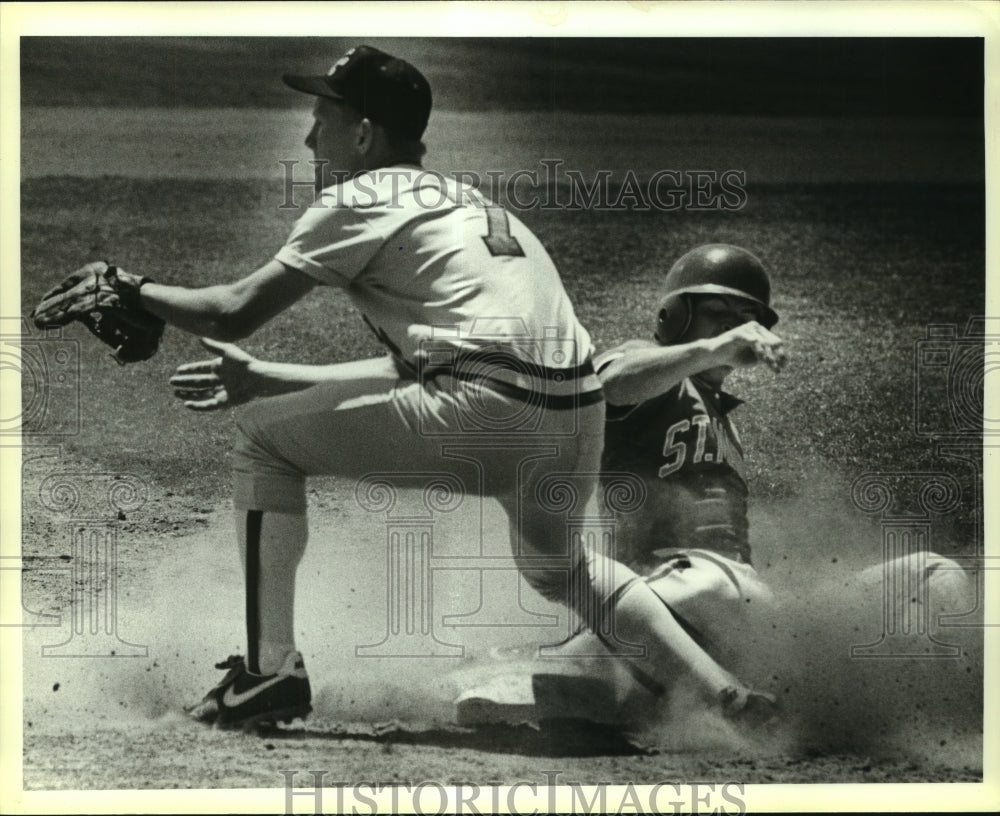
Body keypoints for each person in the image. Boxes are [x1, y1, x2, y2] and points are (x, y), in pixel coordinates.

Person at [145, 46, 773, 729]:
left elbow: (230, 310)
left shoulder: (359, 195)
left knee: (262, 438)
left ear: (362, 133)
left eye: (322, 115)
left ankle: (268, 673)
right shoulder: (471, 208)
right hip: (572, 418)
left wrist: (131, 289)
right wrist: (271, 376)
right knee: (565, 571)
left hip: (493, 411)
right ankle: (724, 698)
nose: (308, 136)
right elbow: (442, 364)